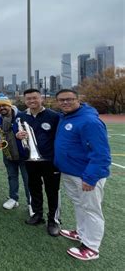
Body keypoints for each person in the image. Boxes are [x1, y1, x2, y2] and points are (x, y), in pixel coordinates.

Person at [54, 89, 111, 261]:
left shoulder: (89, 121)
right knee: (79, 205)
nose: (65, 103)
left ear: (78, 100)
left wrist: (91, 177)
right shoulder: (65, 117)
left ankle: (91, 247)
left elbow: (101, 154)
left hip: (85, 175)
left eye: (69, 99)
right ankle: (81, 232)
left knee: (92, 210)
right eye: (61, 100)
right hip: (70, 172)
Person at [16, 88, 60, 236]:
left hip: (49, 160)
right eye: (28, 99)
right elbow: (20, 134)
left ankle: (53, 220)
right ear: (24, 100)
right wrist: (18, 135)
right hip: (31, 159)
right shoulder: (21, 116)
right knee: (34, 187)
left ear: (41, 98)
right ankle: (37, 214)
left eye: (34, 98)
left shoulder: (54, 116)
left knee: (52, 191)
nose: (31, 101)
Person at [0, 95, 30, 210]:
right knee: (11, 176)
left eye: (4, 105)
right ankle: (13, 198)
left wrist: (25, 135)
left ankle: (31, 203)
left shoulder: (22, 116)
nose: (2, 108)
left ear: (10, 105)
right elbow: (0, 135)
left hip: (24, 154)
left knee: (28, 180)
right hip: (9, 153)